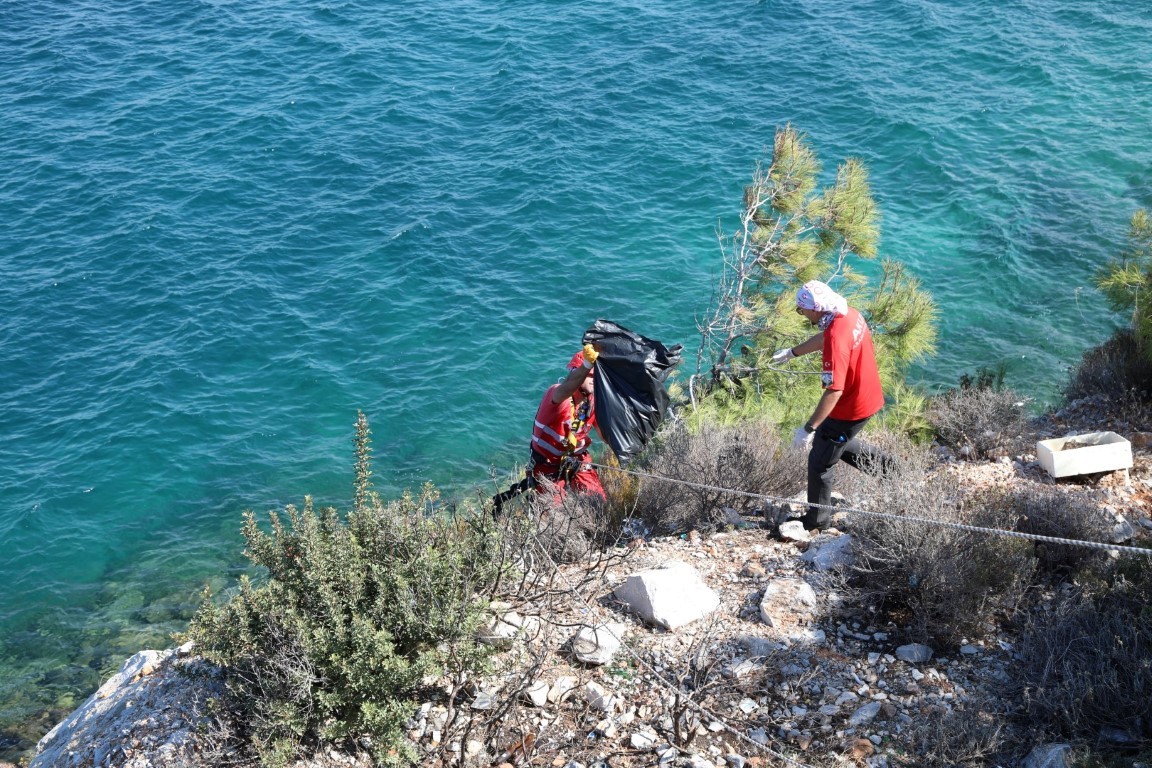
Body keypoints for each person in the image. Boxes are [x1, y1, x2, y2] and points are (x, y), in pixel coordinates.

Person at [771, 280, 887, 531]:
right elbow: (826, 336)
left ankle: (817, 521)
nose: (802, 315)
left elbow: (834, 390)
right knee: (835, 442)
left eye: (802, 310)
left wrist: (808, 429)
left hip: (850, 408)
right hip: (868, 395)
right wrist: (793, 352)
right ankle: (892, 472)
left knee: (820, 462)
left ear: (815, 309)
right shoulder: (848, 314)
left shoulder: (836, 337)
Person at [527, 342, 606, 502]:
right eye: (588, 374)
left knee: (598, 502)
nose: (592, 378)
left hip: (577, 461)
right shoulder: (556, 395)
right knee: (554, 515)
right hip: (547, 467)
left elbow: (606, 436)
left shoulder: (592, 402)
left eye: (595, 374)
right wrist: (586, 364)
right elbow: (568, 387)